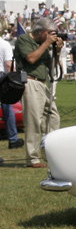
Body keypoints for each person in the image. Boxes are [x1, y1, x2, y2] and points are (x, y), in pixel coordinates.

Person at [15, 18, 63, 168]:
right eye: (50, 33)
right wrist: (47, 43)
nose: (52, 36)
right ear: (40, 31)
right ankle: (32, 158)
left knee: (53, 118)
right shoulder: (24, 39)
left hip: (42, 84)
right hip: (30, 82)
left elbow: (51, 66)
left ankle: (51, 153)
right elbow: (31, 58)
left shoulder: (44, 44)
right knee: (33, 121)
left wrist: (57, 51)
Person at [0, 33, 21, 149]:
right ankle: (13, 139)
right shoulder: (4, 44)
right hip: (2, 77)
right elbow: (8, 65)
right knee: (7, 108)